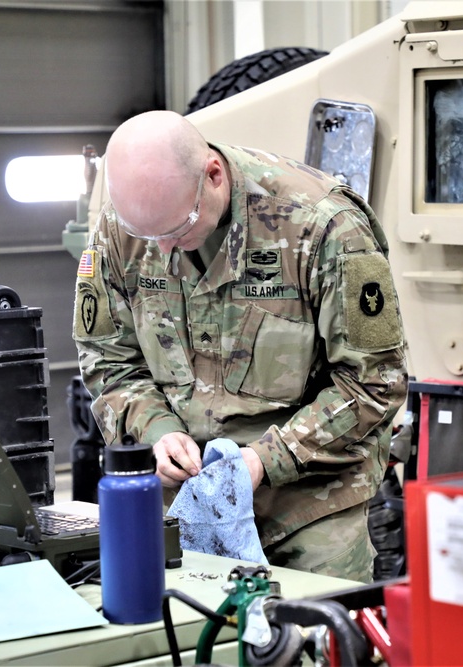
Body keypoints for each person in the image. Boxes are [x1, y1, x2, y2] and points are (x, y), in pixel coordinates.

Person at [72, 110, 408, 583]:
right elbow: (108, 358)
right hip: (183, 501)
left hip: (309, 506)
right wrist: (157, 431)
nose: (164, 250)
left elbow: (374, 383)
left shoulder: (323, 227)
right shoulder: (124, 228)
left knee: (312, 643)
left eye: (177, 230)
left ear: (212, 176)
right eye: (149, 236)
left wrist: (264, 461)